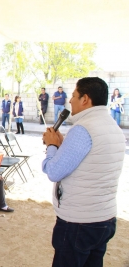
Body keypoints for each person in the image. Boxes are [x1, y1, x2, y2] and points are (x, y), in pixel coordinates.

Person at [42, 77, 125, 267]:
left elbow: (53, 171)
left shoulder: (83, 129)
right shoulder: (113, 127)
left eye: (73, 96)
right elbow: (91, 163)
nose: (70, 101)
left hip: (79, 222)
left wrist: (52, 146)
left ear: (85, 99)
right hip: (104, 218)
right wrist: (63, 145)